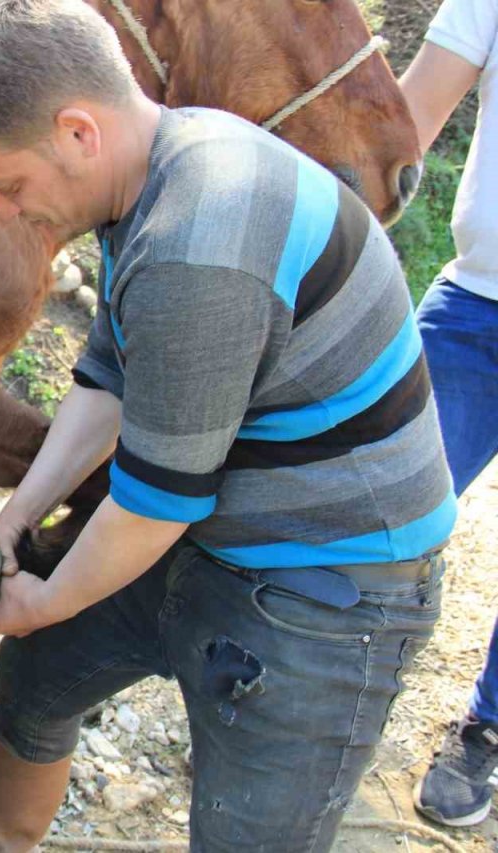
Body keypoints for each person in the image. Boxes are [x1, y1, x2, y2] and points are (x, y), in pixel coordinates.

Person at [0, 1, 456, 850]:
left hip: (330, 581)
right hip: (209, 527)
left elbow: (158, 501)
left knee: (248, 834)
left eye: (9, 187)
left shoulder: (201, 237)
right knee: (40, 676)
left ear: (78, 132)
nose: (7, 213)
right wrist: (17, 517)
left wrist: (45, 599)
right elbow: (108, 380)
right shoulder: (157, 161)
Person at [398, 0, 498, 829]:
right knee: (380, 508)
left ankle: (485, 727)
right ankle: (303, 696)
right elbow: (404, 124)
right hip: (474, 308)